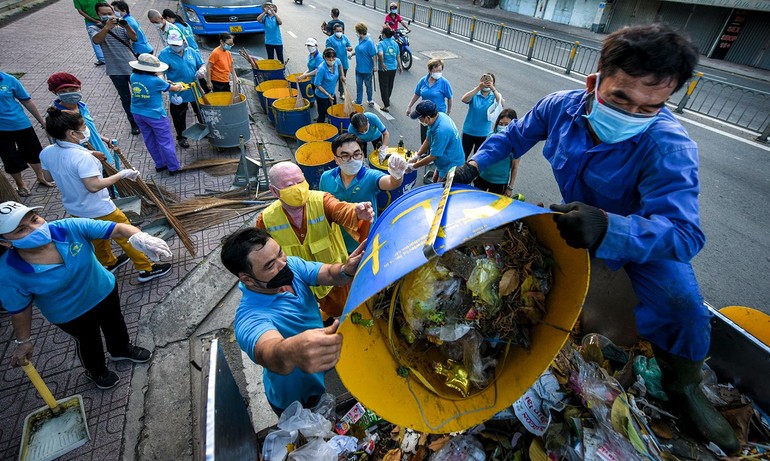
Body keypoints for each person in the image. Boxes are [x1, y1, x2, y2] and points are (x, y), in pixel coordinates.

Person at [453, 24, 739, 454]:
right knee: (522, 279)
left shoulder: (670, 147)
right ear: (596, 80)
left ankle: (685, 390)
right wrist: (476, 164)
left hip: (643, 239)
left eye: (650, 107)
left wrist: (612, 228)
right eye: (621, 98)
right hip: (572, 220)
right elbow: (515, 135)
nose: (631, 114)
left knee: (683, 310)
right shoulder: (560, 109)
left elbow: (683, 234)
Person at [1, 201, 172, 389]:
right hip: (70, 314)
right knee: (89, 341)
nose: (35, 229)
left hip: (103, 290)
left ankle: (120, 349)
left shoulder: (68, 228)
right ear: (5, 242)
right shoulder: (8, 272)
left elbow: (116, 228)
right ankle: (96, 371)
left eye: (35, 219)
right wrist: (23, 341)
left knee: (115, 323)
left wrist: (141, 237)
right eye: (21, 230)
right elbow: (19, 310)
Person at [221, 227, 364, 414]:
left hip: (317, 373)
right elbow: (270, 353)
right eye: (270, 266)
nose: (283, 264)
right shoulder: (249, 318)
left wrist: (346, 269)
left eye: (281, 253)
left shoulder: (292, 265)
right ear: (248, 279)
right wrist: (293, 350)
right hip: (293, 399)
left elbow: (329, 274)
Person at [40, 107, 173, 281]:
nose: (86, 130)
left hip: (75, 208)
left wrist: (88, 154)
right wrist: (121, 175)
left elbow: (48, 175)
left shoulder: (47, 152)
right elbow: (93, 186)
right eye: (83, 127)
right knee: (128, 236)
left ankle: (109, 262)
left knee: (96, 237)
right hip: (100, 208)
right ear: (72, 134)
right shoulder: (82, 158)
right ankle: (147, 268)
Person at [255, 161, 373, 317]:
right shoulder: (266, 220)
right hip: (299, 283)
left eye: (300, 182)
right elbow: (262, 256)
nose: (298, 188)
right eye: (290, 185)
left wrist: (357, 212)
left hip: (335, 276)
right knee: (309, 316)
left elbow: (340, 209)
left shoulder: (321, 201)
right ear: (274, 191)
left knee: (342, 309)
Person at [320, 133, 407, 252]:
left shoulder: (370, 176)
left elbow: (391, 183)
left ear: (362, 155)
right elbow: (323, 207)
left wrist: (397, 174)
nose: (352, 160)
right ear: (336, 159)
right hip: (337, 243)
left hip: (365, 245)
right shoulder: (326, 178)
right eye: (345, 156)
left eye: (356, 154)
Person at [0, 71, 55, 197]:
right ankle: (20, 184)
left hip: (20, 123)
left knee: (33, 152)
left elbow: (26, 101)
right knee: (10, 157)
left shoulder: (9, 80)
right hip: (1, 130)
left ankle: (40, 177)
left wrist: (42, 122)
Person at [89, 2, 141, 135]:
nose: (108, 16)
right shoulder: (96, 28)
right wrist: (106, 27)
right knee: (125, 98)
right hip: (115, 70)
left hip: (132, 67)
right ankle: (133, 123)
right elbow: (97, 40)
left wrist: (126, 25)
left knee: (140, 95)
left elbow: (134, 38)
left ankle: (143, 120)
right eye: (104, 14)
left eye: (110, 13)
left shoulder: (121, 25)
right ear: (98, 15)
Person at [129, 54, 184, 174]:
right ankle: (173, 167)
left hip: (137, 112)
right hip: (155, 115)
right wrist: (179, 85)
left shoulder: (133, 76)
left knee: (149, 139)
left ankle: (160, 164)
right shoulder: (155, 81)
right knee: (165, 141)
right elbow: (174, 88)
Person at [47, 72, 115, 163]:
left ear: (79, 88)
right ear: (54, 92)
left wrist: (103, 138)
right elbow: (60, 146)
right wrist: (91, 153)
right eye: (63, 92)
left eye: (73, 89)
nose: (69, 94)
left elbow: (89, 128)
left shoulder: (83, 106)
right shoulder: (56, 116)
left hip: (100, 154)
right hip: (81, 161)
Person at [158, 29, 205, 149]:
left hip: (195, 89)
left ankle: (205, 130)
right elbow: (160, 72)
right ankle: (182, 137)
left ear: (183, 41)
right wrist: (162, 81)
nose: (176, 47)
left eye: (177, 44)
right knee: (178, 115)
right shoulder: (164, 54)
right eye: (173, 45)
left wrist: (201, 70)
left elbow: (201, 64)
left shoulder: (191, 51)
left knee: (201, 111)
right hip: (178, 91)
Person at [407, 100, 465, 182]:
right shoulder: (438, 117)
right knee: (435, 179)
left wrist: (414, 166)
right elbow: (428, 139)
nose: (420, 121)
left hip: (451, 165)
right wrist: (417, 155)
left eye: (420, 118)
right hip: (443, 161)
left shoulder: (441, 131)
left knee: (439, 189)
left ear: (428, 117)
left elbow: (433, 156)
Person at [406, 58, 453, 149]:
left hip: (438, 115)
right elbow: (417, 94)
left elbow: (449, 98)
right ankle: (423, 153)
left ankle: (431, 156)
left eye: (440, 70)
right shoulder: (423, 81)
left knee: (435, 138)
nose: (438, 73)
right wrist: (409, 106)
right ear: (429, 70)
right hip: (424, 114)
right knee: (424, 137)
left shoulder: (444, 83)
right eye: (436, 70)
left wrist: (448, 112)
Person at [473, 108, 519, 196]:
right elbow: (481, 155)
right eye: (500, 124)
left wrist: (510, 187)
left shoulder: (515, 144)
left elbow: (515, 167)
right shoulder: (491, 136)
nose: (502, 127)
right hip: (482, 177)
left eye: (506, 124)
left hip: (499, 183)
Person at [461, 72, 503, 157]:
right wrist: (478, 88)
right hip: (469, 132)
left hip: (483, 133)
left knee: (478, 159)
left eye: (489, 81)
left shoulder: (494, 96)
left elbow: (502, 103)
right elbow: (464, 99)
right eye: (485, 80)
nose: (487, 82)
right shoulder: (475, 93)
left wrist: (493, 89)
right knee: (462, 157)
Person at [312, 48, 344, 124]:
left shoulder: (336, 61)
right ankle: (320, 129)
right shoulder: (321, 68)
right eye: (329, 57)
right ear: (325, 57)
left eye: (333, 57)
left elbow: (340, 64)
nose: (331, 59)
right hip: (322, 96)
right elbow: (317, 84)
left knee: (333, 112)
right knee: (322, 115)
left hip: (332, 94)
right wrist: (327, 94)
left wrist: (342, 75)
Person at [350, 23, 377, 107]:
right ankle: (359, 101)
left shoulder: (369, 42)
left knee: (368, 85)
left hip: (367, 69)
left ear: (360, 32)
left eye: (357, 31)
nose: (356, 33)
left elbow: (374, 55)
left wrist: (375, 66)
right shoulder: (360, 40)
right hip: (358, 68)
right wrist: (352, 54)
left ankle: (370, 99)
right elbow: (359, 51)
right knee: (359, 86)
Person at [377, 27, 401, 112]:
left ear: (384, 34)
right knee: (390, 85)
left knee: (384, 86)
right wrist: (400, 66)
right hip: (393, 68)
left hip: (384, 69)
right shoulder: (395, 44)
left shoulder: (381, 43)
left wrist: (382, 63)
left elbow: (380, 53)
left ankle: (386, 105)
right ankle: (387, 99)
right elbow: (398, 56)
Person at [73, 0, 105, 65]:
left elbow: (104, 3)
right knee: (94, 39)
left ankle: (108, 57)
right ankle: (101, 59)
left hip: (102, 19)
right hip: (90, 22)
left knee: (106, 38)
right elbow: (80, 11)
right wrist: (94, 20)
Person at [325, 23, 352, 98]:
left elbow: (350, 46)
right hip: (334, 63)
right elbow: (328, 51)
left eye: (341, 31)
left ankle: (342, 93)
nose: (340, 33)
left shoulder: (345, 38)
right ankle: (330, 92)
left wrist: (349, 48)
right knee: (333, 79)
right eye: (338, 31)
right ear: (334, 31)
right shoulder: (329, 40)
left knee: (342, 79)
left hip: (344, 62)